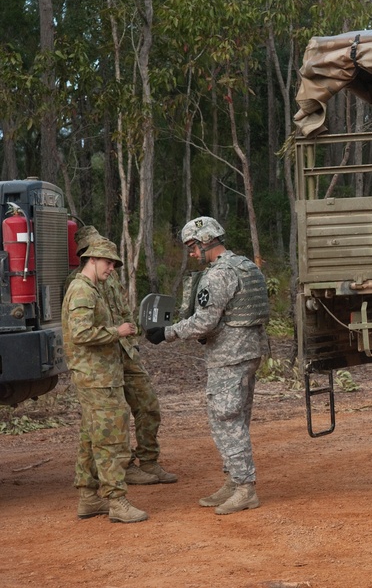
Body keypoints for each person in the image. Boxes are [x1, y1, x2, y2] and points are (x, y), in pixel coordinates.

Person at [145, 217, 270, 515]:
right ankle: (233, 481)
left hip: (229, 357)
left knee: (226, 420)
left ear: (206, 241)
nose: (191, 254)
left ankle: (244, 488)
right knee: (237, 418)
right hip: (250, 352)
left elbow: (204, 322)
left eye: (192, 247)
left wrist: (167, 333)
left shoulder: (217, 275)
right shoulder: (246, 266)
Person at [68, 225, 176, 487]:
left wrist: (131, 341)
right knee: (111, 418)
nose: (108, 263)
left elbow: (125, 310)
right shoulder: (79, 284)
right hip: (102, 359)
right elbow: (80, 330)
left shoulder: (110, 276)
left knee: (148, 405)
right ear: (86, 254)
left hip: (124, 351)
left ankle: (148, 460)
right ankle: (123, 468)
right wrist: (116, 333)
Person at [64, 238, 148, 523]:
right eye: (108, 262)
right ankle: (116, 500)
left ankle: (88, 497)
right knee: (111, 439)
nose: (111, 268)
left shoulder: (92, 289)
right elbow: (81, 334)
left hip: (100, 376)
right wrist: (117, 331)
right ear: (92, 260)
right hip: (96, 378)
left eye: (113, 263)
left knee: (91, 436)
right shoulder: (82, 291)